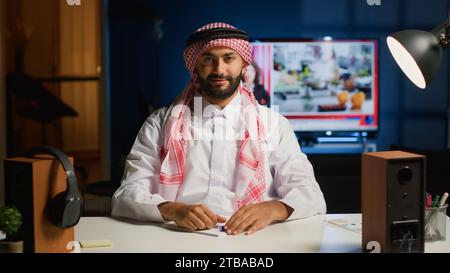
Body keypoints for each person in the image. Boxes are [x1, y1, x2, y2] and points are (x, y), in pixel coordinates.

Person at [111, 22, 326, 235]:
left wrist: (272, 209)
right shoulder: (160, 123)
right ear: (195, 65)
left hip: (255, 239)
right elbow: (126, 195)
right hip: (176, 236)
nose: (219, 69)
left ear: (244, 65)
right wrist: (172, 209)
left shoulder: (274, 124)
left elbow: (310, 194)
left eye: (228, 58)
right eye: (208, 59)